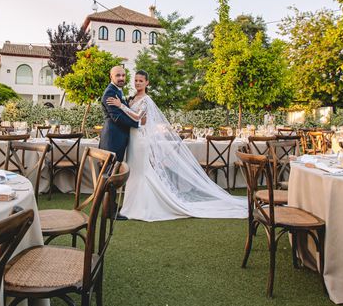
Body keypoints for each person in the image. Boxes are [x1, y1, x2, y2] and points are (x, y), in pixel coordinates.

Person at [106, 70, 247, 222]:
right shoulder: (132, 98)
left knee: (142, 171)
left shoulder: (146, 100)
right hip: (132, 139)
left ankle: (143, 206)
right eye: (136, 80)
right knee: (134, 171)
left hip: (141, 140)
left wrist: (121, 106)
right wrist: (124, 105)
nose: (138, 83)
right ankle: (130, 204)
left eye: (141, 81)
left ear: (147, 83)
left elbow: (140, 118)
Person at [99, 66, 144, 162]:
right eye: (118, 75)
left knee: (115, 170)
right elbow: (117, 117)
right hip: (113, 138)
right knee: (110, 172)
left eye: (123, 75)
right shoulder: (110, 92)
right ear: (111, 77)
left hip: (119, 137)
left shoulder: (118, 90)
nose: (121, 78)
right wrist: (137, 123)